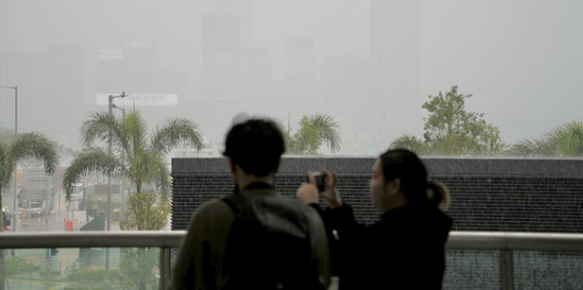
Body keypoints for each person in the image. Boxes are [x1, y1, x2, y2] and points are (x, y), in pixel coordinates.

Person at [171, 117, 331, 290]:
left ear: (231, 164)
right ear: (277, 165)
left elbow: (183, 283)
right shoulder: (307, 217)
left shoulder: (209, 217)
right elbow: (324, 279)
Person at [297, 148, 452, 289]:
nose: (371, 183)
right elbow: (358, 243)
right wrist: (336, 205)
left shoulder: (395, 236)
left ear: (394, 186)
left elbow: (340, 259)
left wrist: (312, 206)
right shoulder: (424, 229)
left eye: (375, 177)